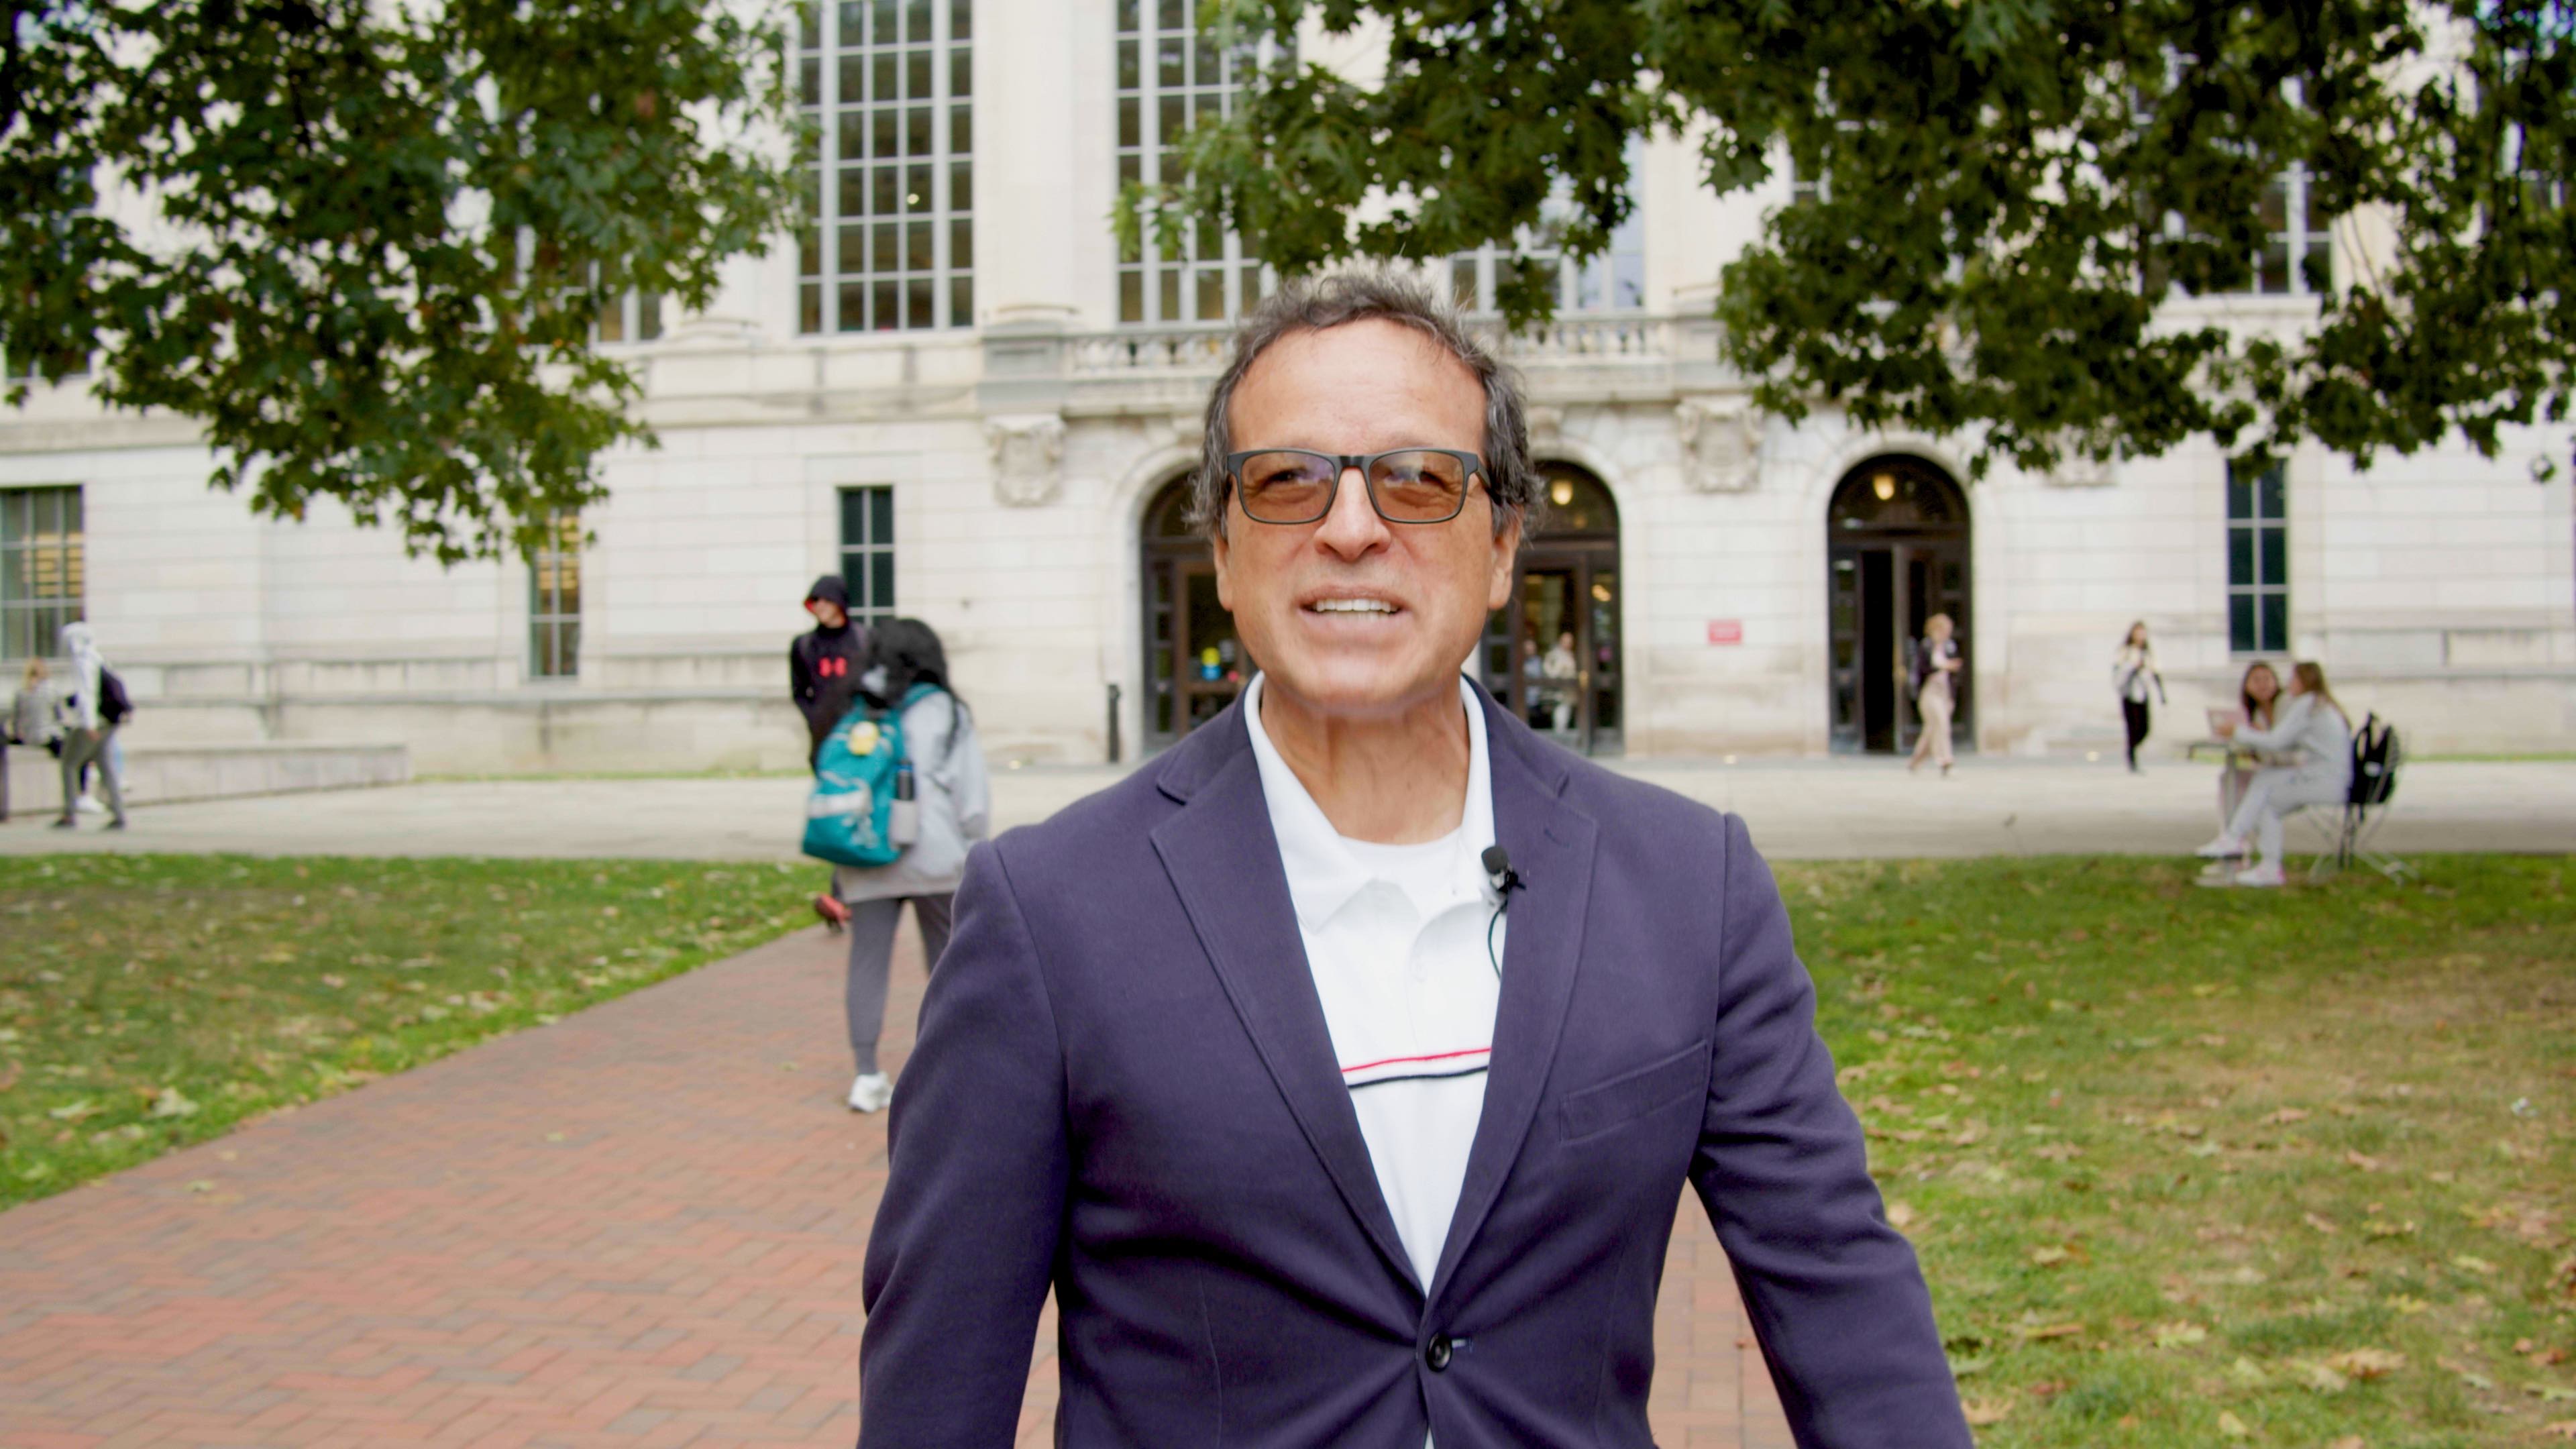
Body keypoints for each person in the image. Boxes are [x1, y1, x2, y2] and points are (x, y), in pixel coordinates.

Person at [857, 272, 1969, 1448]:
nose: (1351, 529)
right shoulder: (1052, 916)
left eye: (1419, 480)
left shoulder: (1690, 885)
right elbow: (939, 1386)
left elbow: (1840, 1293)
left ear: (1501, 549)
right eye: (1287, 481)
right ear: (1225, 554)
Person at [830, 617, 989, 1114]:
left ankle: (866, 1076)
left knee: (867, 961)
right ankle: (949, 1073)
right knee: (946, 963)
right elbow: (973, 801)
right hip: (936, 855)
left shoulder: (859, 707)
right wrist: (974, 845)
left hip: (867, 853)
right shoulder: (947, 711)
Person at [2197, 661, 2353, 888]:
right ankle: (2233, 839)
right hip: (2323, 777)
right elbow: (2284, 745)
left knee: (2269, 804)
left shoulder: (2305, 703)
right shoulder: (2318, 704)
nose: (2289, 684)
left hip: (2324, 780)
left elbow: (2277, 742)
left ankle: (2265, 865)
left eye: (2293, 679)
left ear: (2303, 681)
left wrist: (2239, 732)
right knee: (2264, 779)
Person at [792, 575, 869, 927]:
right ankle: (844, 893)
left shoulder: (864, 640)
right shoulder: (804, 646)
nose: (819, 609)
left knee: (860, 809)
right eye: (814, 603)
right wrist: (815, 720)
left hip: (861, 743)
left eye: (824, 601)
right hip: (825, 745)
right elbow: (799, 691)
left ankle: (848, 892)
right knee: (836, 813)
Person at [52, 622, 125, 831]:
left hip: (93, 724)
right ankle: (118, 813)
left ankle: (69, 813)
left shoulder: (83, 661)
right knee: (106, 766)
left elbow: (88, 693)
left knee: (68, 763)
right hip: (107, 722)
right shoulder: (98, 658)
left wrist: (88, 723)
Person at [2218, 660, 2283, 826]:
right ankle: (2231, 833)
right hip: (2267, 766)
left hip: (2288, 767)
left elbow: (2283, 743)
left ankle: (2234, 834)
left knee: (2249, 782)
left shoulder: (2285, 707)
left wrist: (2262, 736)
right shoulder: (2252, 714)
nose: (2262, 685)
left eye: (2267, 679)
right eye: (2256, 680)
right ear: (2246, 686)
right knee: (2230, 777)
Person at [4, 658, 60, 823]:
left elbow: (16, 719)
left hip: (25, 738)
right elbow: (59, 717)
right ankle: (83, 792)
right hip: (46, 737)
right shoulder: (51, 689)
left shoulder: (21, 691)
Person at [1906, 612, 1962, 775]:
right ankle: (1946, 761)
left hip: (1945, 692)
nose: (1947, 633)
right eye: (1945, 629)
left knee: (1931, 730)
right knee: (1942, 725)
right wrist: (1944, 667)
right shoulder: (1927, 646)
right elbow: (1923, 670)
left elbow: (1956, 669)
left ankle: (1915, 761)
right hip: (1930, 692)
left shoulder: (1950, 646)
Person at [2112, 621, 2167, 773]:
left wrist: (2162, 695)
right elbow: (2117, 671)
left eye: (2143, 632)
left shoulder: (2148, 652)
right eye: (2138, 632)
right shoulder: (2126, 650)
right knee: (2132, 728)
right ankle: (2132, 759)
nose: (2140, 636)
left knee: (2145, 728)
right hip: (2129, 694)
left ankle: (2132, 749)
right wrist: (2132, 667)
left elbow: (2155, 672)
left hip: (2143, 693)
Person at [1541, 627, 1578, 732]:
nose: (1569, 644)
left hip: (1569, 690)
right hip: (1558, 690)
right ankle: (1560, 734)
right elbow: (1547, 669)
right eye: (1566, 642)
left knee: (1567, 712)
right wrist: (1556, 674)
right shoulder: (1554, 654)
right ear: (1561, 642)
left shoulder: (1571, 654)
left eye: (1570, 642)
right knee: (1560, 712)